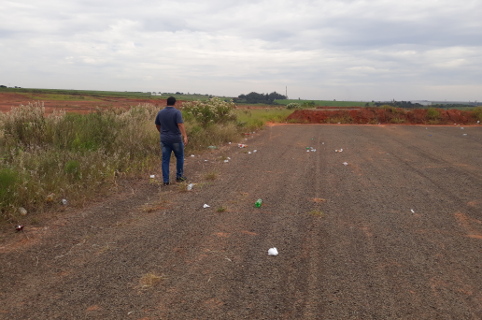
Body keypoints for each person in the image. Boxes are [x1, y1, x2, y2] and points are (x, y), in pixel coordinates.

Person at [155, 97, 188, 185]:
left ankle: (166, 180)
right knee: (180, 157)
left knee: (165, 160)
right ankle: (179, 176)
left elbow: (157, 124)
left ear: (167, 102)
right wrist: (185, 136)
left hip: (164, 139)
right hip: (176, 139)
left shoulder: (161, 112)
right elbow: (180, 124)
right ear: (175, 103)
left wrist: (161, 132)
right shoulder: (177, 112)